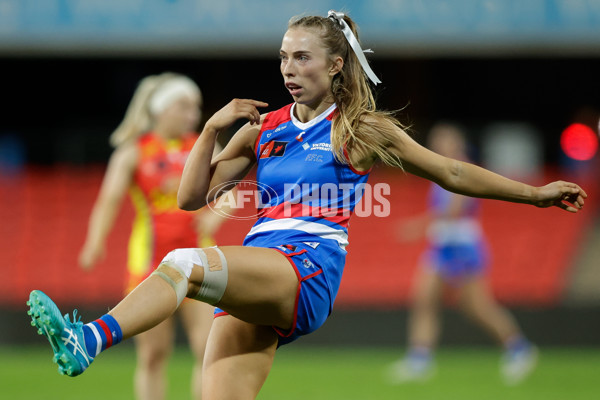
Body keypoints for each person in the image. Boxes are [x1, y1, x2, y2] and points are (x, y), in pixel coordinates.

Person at [27, 11, 587, 399]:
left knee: (183, 264)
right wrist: (214, 129)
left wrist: (534, 194)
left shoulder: (360, 128)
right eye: (282, 59)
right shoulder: (262, 129)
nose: (288, 69)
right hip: (259, 270)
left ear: (337, 64)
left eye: (301, 58)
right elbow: (192, 197)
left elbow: (451, 171)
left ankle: (88, 339)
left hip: (307, 266)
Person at [77, 72, 226, 400]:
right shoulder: (133, 152)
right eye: (184, 105)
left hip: (200, 260)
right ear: (160, 109)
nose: (193, 114)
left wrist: (215, 216)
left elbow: (235, 187)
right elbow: (109, 199)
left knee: (208, 349)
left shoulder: (203, 146)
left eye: (196, 106)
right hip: (151, 262)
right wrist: (94, 242)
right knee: (153, 354)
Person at [386, 122, 538, 386]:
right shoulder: (440, 170)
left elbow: (454, 210)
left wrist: (417, 226)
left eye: (445, 140)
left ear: (457, 142)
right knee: (424, 300)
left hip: (462, 246)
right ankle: (420, 359)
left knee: (478, 307)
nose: (439, 145)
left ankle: (520, 349)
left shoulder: (463, 169)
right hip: (442, 245)